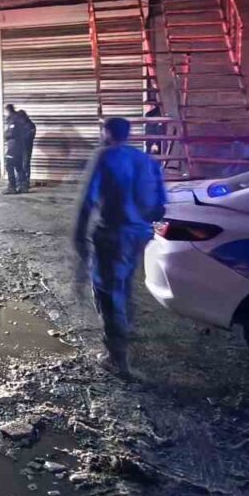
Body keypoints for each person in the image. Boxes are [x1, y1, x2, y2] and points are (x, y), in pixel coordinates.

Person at [72, 117, 167, 377]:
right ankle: (125, 331)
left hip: (112, 234)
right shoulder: (146, 160)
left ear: (107, 132)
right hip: (138, 235)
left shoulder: (105, 156)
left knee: (106, 291)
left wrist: (79, 238)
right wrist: (140, 224)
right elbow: (160, 206)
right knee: (124, 283)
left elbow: (88, 201)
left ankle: (117, 357)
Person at [2, 104, 27, 195]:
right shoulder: (20, 119)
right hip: (19, 146)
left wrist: (6, 135)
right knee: (19, 166)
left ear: (8, 110)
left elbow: (12, 133)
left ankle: (12, 187)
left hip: (13, 147)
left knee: (9, 166)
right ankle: (23, 186)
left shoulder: (13, 120)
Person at [17, 109, 36, 191]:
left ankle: (26, 183)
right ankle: (19, 182)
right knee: (19, 165)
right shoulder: (19, 125)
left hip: (26, 148)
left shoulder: (30, 125)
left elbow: (29, 137)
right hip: (19, 148)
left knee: (25, 165)